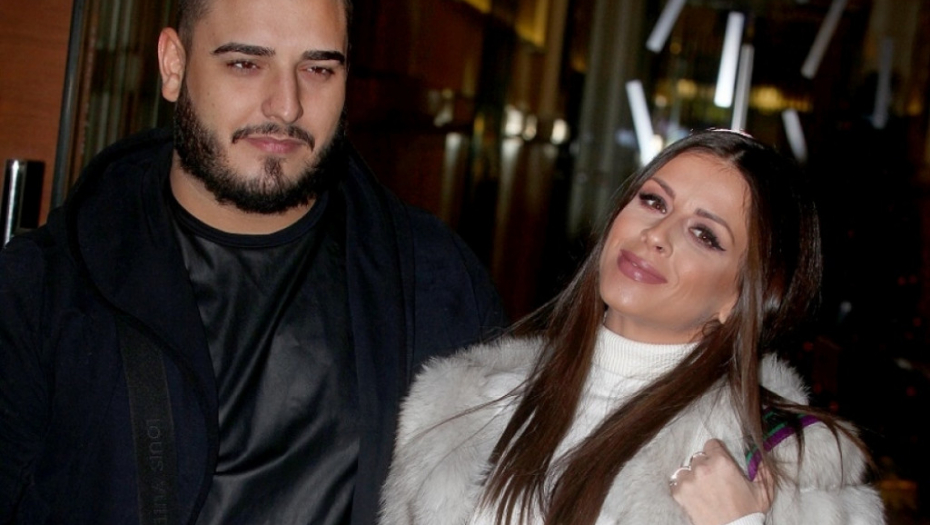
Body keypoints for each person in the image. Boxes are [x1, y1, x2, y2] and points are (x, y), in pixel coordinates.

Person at [0, 0, 506, 523]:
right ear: (173, 65)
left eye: (318, 69)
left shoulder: (434, 283)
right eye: (245, 63)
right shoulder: (45, 289)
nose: (286, 106)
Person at [380, 130, 885, 524]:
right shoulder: (468, 404)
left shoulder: (785, 468)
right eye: (654, 201)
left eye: (704, 234)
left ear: (741, 298)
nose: (657, 234)